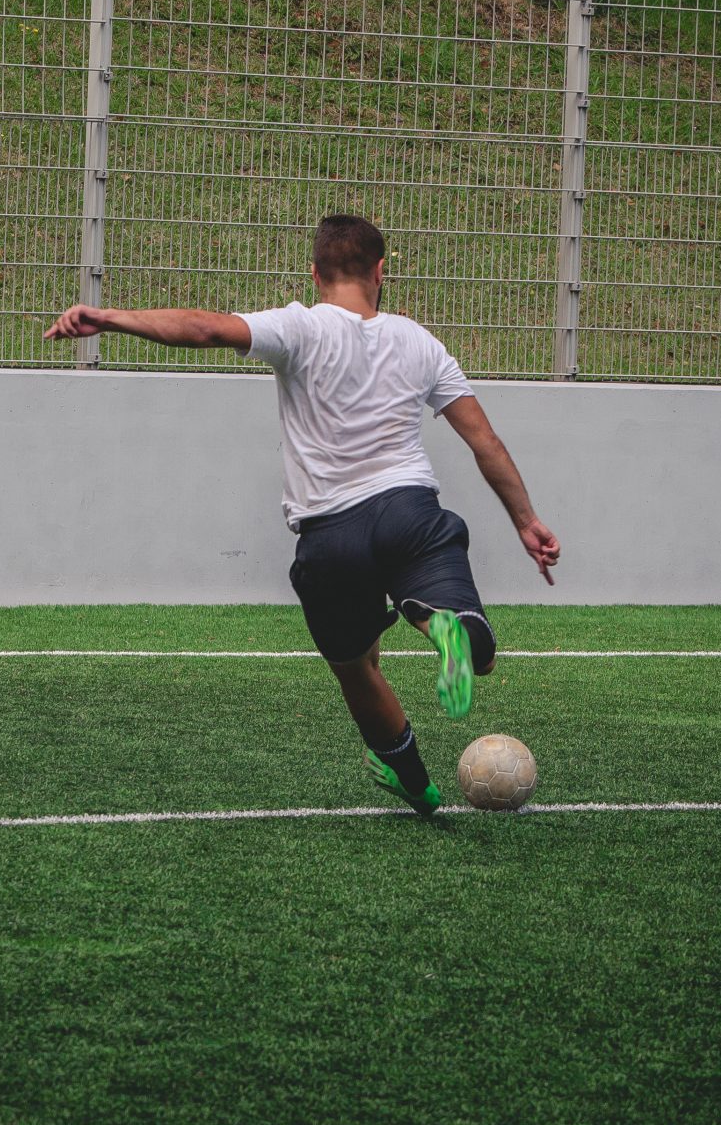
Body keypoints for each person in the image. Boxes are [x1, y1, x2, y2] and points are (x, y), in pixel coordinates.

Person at [44, 214, 561, 814]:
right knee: (481, 654)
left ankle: (416, 782)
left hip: (330, 535)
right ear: (380, 271)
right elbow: (485, 443)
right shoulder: (420, 343)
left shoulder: (300, 327)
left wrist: (109, 318)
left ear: (315, 274)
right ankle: (443, 630)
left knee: (355, 666)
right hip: (410, 516)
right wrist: (526, 521)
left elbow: (206, 329)